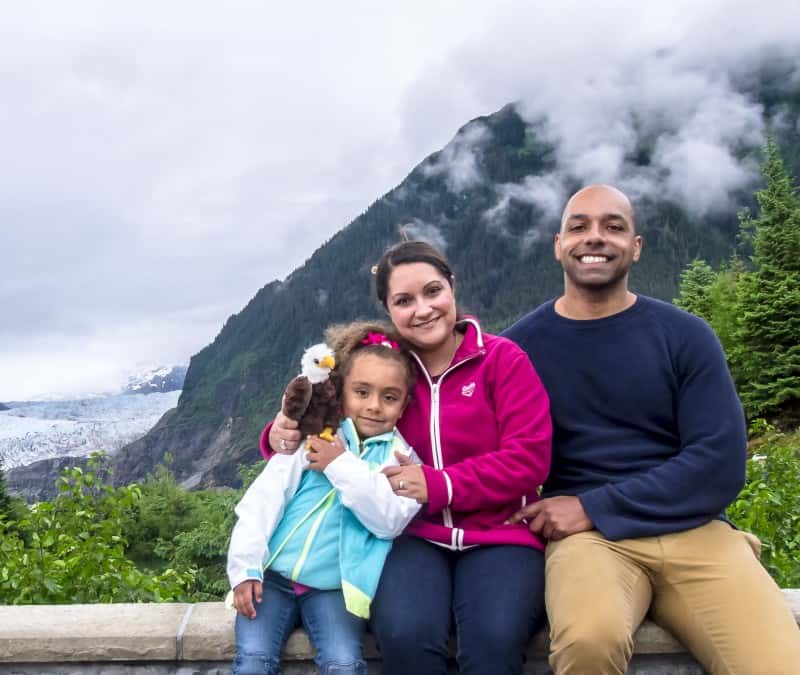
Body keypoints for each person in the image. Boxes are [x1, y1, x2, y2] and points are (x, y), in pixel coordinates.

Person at [503, 184, 800, 675]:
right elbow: (485, 447)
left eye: (613, 227)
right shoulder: (517, 350)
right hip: (589, 545)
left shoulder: (685, 336)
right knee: (587, 643)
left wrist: (593, 506)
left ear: (635, 247)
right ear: (558, 244)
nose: (594, 238)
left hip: (695, 532)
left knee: (779, 664)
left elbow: (720, 462)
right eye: (579, 226)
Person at [266, 241, 552, 675]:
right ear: (388, 308)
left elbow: (529, 458)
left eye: (432, 291)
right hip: (410, 537)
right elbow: (320, 419)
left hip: (500, 536)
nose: (423, 309)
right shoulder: (386, 373)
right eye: (404, 300)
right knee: (405, 638)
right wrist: (276, 436)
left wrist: (440, 485)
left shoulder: (502, 360)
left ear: (453, 287)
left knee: (493, 644)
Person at [228, 321, 423, 675]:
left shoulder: (403, 459)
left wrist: (340, 465)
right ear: (341, 391)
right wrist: (244, 569)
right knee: (254, 660)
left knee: (344, 664)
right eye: (362, 392)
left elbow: (389, 522)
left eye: (389, 397)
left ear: (404, 404)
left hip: (337, 588)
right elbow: (262, 503)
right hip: (272, 578)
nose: (374, 406)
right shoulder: (311, 438)